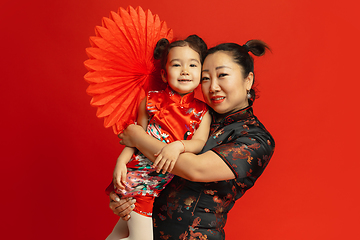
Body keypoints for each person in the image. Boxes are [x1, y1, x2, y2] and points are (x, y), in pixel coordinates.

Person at [110, 40, 275, 239]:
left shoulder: (255, 138)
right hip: (146, 229)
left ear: (248, 80)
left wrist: (138, 138)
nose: (213, 86)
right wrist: (126, 194)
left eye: (222, 75)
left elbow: (194, 169)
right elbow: (147, 168)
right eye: (205, 78)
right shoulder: (191, 114)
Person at [106, 35, 212, 240]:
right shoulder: (150, 100)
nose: (185, 71)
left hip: (157, 183)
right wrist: (121, 161)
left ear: (201, 72)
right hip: (141, 179)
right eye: (176, 65)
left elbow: (198, 144)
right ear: (163, 74)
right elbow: (135, 137)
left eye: (192, 64)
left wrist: (178, 146)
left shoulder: (202, 112)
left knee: (120, 234)